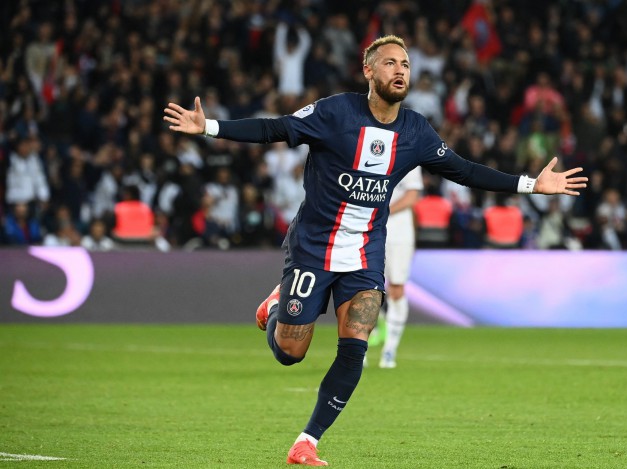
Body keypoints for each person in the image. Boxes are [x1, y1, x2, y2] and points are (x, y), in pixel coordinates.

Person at [164, 35, 587, 466]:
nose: (400, 70)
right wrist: (210, 127)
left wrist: (531, 184)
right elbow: (276, 128)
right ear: (368, 71)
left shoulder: (416, 131)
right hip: (314, 246)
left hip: (365, 252)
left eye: (405, 64)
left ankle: (307, 441)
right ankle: (277, 304)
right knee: (290, 352)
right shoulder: (335, 113)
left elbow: (463, 170)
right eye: (389, 63)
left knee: (355, 345)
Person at [377, 166, 423, 368]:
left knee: (396, 290)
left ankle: (389, 350)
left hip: (399, 234)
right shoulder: (367, 153)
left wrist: (382, 212)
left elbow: (412, 196)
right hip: (370, 231)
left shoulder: (411, 157)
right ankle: (359, 350)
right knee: (364, 288)